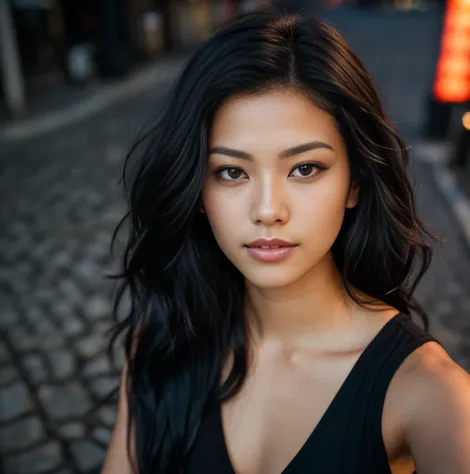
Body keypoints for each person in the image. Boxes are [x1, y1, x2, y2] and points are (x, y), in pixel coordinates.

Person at [101, 9, 470, 474]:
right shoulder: (163, 341)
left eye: (305, 168)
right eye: (231, 172)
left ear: (354, 182)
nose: (268, 209)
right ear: (197, 190)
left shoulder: (431, 396)